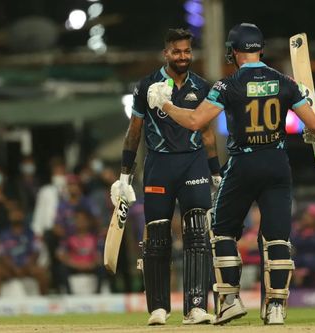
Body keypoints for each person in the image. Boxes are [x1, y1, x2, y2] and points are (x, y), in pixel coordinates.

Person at [146, 22, 315, 325]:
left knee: (221, 229)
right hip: (277, 162)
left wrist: (163, 103)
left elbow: (193, 121)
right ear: (260, 49)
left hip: (244, 163)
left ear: (233, 52)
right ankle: (276, 309)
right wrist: (313, 130)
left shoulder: (227, 85)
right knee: (277, 238)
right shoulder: (285, 82)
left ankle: (229, 300)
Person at [110, 28, 220, 325]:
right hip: (159, 165)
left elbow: (207, 132)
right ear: (166, 53)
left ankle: (196, 306)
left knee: (198, 233)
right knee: (157, 236)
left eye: (187, 51)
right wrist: (124, 175)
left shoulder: (202, 85)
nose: (183, 56)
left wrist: (216, 173)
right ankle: (158, 308)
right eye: (177, 51)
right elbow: (134, 132)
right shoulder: (147, 86)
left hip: (194, 163)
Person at [290, 204, 315, 288]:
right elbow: (293, 247)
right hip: (297, 261)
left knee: (312, 261)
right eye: (306, 214)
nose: (306, 217)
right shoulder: (295, 232)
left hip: (314, 264)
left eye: (311, 216)